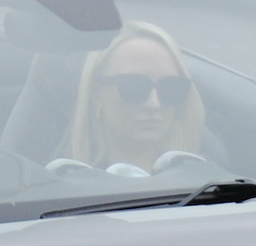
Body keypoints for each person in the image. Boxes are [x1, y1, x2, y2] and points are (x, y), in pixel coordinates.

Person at [62, 24, 208, 177]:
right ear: (96, 94)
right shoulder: (63, 192)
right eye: (134, 86)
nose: (154, 104)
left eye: (170, 88)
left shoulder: (208, 182)